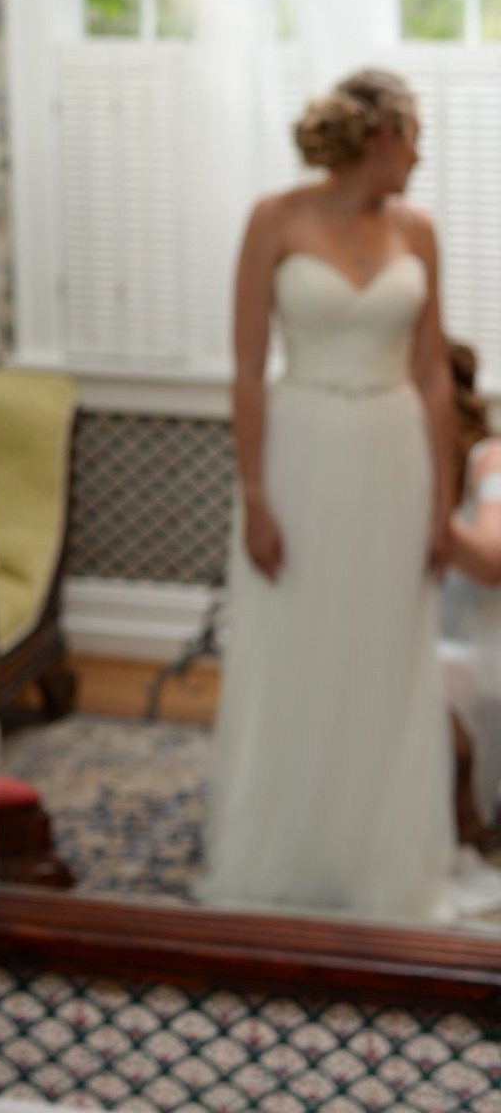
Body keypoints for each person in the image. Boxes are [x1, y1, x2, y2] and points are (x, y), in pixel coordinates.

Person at [198, 67, 474, 922]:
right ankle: (283, 856)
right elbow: (247, 371)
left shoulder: (419, 231)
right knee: (298, 651)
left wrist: (443, 503)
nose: (419, 157)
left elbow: (433, 376)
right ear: (378, 136)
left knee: (387, 656)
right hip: (301, 451)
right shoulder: (273, 220)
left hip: (396, 454)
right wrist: (256, 497)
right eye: (413, 138)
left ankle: (384, 866)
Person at [440, 341, 501, 847]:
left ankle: (467, 811)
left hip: (483, 653)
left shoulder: (490, 459)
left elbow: (490, 564)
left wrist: (419, 508)